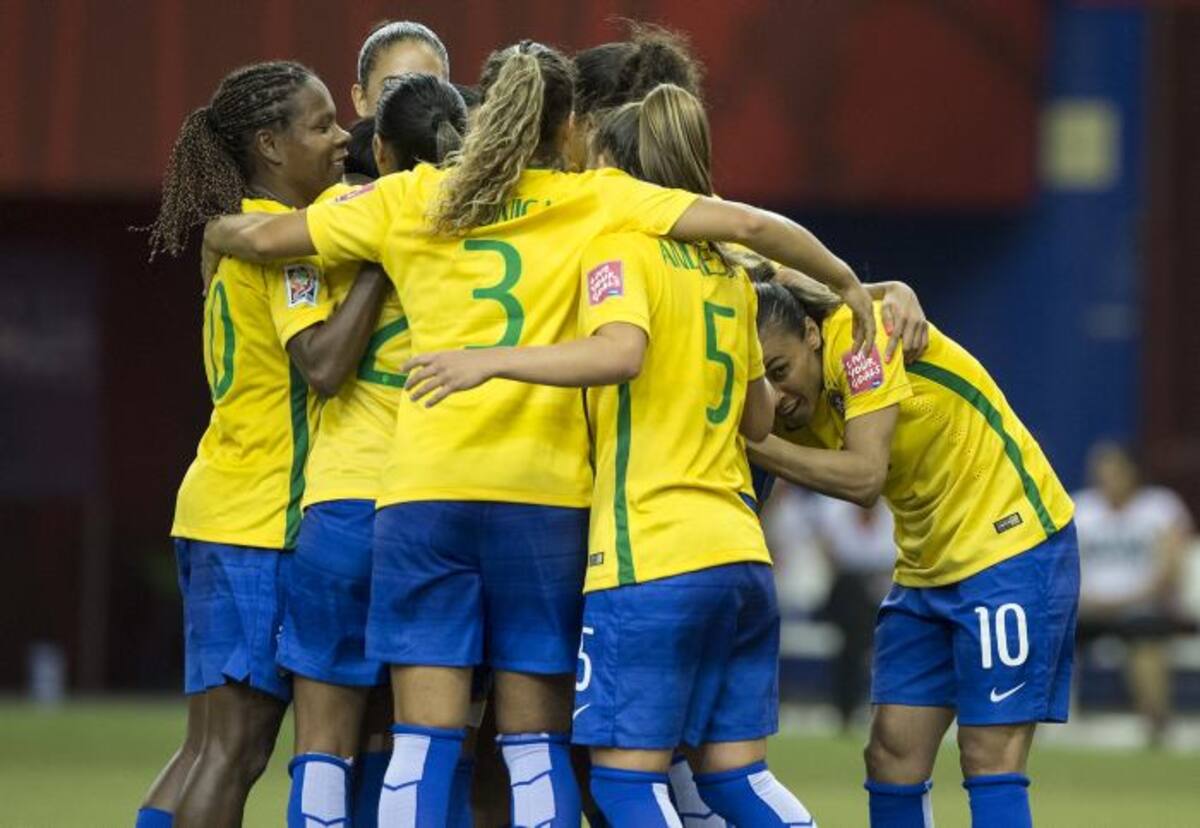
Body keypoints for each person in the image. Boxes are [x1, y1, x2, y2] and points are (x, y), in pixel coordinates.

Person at [203, 41, 875, 826]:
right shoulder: (597, 200)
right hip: (546, 499)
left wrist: (212, 228)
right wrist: (848, 282)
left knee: (422, 740)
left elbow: (261, 239)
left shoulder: (414, 194)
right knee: (533, 747)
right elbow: (753, 227)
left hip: (426, 492)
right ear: (569, 128)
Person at [404, 82, 820, 828]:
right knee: (737, 778)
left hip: (651, 555)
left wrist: (493, 359)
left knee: (628, 785)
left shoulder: (622, 247)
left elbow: (621, 354)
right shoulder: (729, 273)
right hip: (741, 553)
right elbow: (759, 418)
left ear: (616, 171)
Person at [135, 62, 388, 828]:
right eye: (320, 126)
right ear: (270, 145)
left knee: (209, 748)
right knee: (235, 751)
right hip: (258, 517)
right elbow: (324, 366)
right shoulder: (283, 244)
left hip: (224, 505)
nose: (342, 137)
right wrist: (384, 259)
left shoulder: (253, 230)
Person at [747, 282, 1078, 828]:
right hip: (926, 564)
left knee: (988, 754)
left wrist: (750, 440)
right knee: (891, 755)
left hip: (1011, 545)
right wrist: (892, 285)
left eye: (780, 371)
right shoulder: (779, 400)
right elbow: (767, 266)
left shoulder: (860, 337)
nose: (775, 397)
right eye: (761, 381)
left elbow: (865, 476)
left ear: (810, 335)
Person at [278, 74, 468, 828]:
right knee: (437, 736)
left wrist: (222, 228)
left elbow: (319, 367)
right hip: (441, 503)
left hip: (347, 503)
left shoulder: (322, 222)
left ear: (378, 147)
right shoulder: (480, 227)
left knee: (323, 743)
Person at [1073, 441, 1195, 747]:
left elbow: (1170, 567)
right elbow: (1062, 567)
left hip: (1143, 607)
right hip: (1090, 607)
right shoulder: (1080, 509)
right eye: (1102, 471)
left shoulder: (1160, 507)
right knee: (1053, 634)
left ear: (1133, 473)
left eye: (1114, 470)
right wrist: (1087, 600)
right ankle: (1047, 725)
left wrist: (1130, 599)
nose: (1107, 478)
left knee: (1146, 635)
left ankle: (1156, 727)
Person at [808, 495, 896, 731]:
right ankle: (847, 706)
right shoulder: (835, 511)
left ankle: (873, 705)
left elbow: (890, 562)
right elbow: (831, 553)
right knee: (851, 645)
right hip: (847, 592)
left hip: (879, 590)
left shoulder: (891, 517)